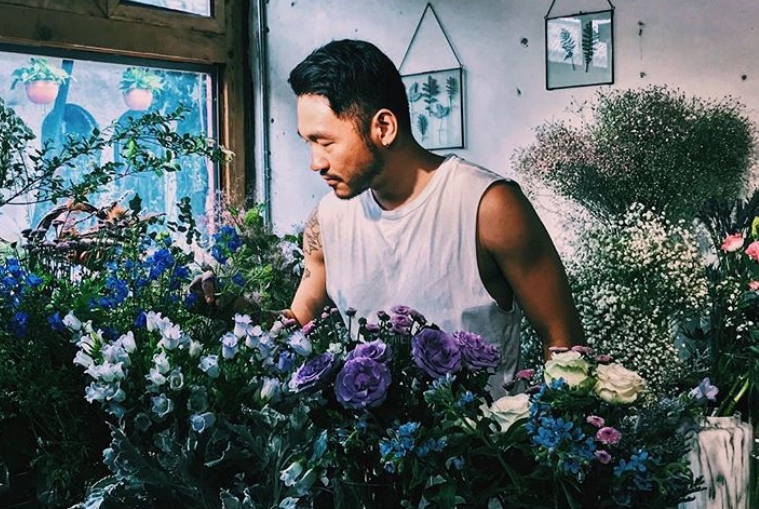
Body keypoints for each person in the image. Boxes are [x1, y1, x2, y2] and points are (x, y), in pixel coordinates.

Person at [282, 39, 584, 394]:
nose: (315, 162)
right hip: (370, 431)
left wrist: (554, 422)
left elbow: (565, 344)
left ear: (384, 127)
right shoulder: (326, 219)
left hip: (485, 429)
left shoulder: (489, 207)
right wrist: (235, 308)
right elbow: (295, 326)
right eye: (308, 143)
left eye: (325, 142)